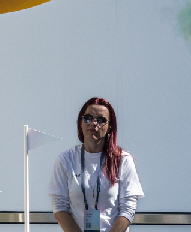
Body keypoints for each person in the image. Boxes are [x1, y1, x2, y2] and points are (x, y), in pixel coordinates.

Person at [48, 98, 143, 232]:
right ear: (80, 123)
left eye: (101, 120)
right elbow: (59, 207)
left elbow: (128, 209)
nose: (93, 123)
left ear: (110, 126)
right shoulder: (65, 159)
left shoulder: (123, 160)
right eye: (88, 118)